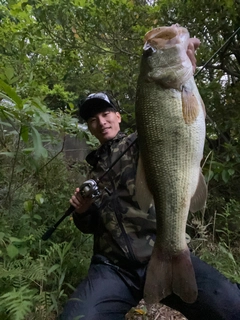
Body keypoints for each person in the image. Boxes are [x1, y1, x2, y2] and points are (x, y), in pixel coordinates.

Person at [60, 39, 240, 320]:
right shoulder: (91, 172)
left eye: (106, 113)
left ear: (119, 116)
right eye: (93, 119)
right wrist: (83, 212)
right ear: (89, 127)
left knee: (232, 307)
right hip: (113, 268)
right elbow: (92, 226)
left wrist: (185, 74)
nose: (101, 121)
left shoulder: (140, 141)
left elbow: (176, 123)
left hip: (163, 250)